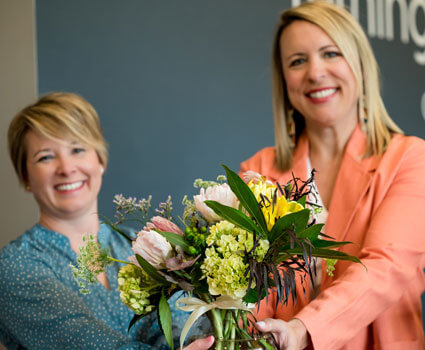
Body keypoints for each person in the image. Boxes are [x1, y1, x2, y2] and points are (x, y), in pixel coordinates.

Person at [240, 2, 425, 349]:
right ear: (284, 80)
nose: (315, 73)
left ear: (359, 64)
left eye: (330, 54)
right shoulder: (258, 172)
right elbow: (246, 296)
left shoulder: (411, 159)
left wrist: (301, 328)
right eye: (298, 61)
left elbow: (386, 268)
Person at [0, 92, 214, 350]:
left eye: (77, 149)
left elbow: (185, 328)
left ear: (100, 160)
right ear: (24, 176)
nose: (66, 168)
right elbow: (81, 342)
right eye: (45, 157)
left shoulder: (141, 245)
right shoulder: (13, 267)